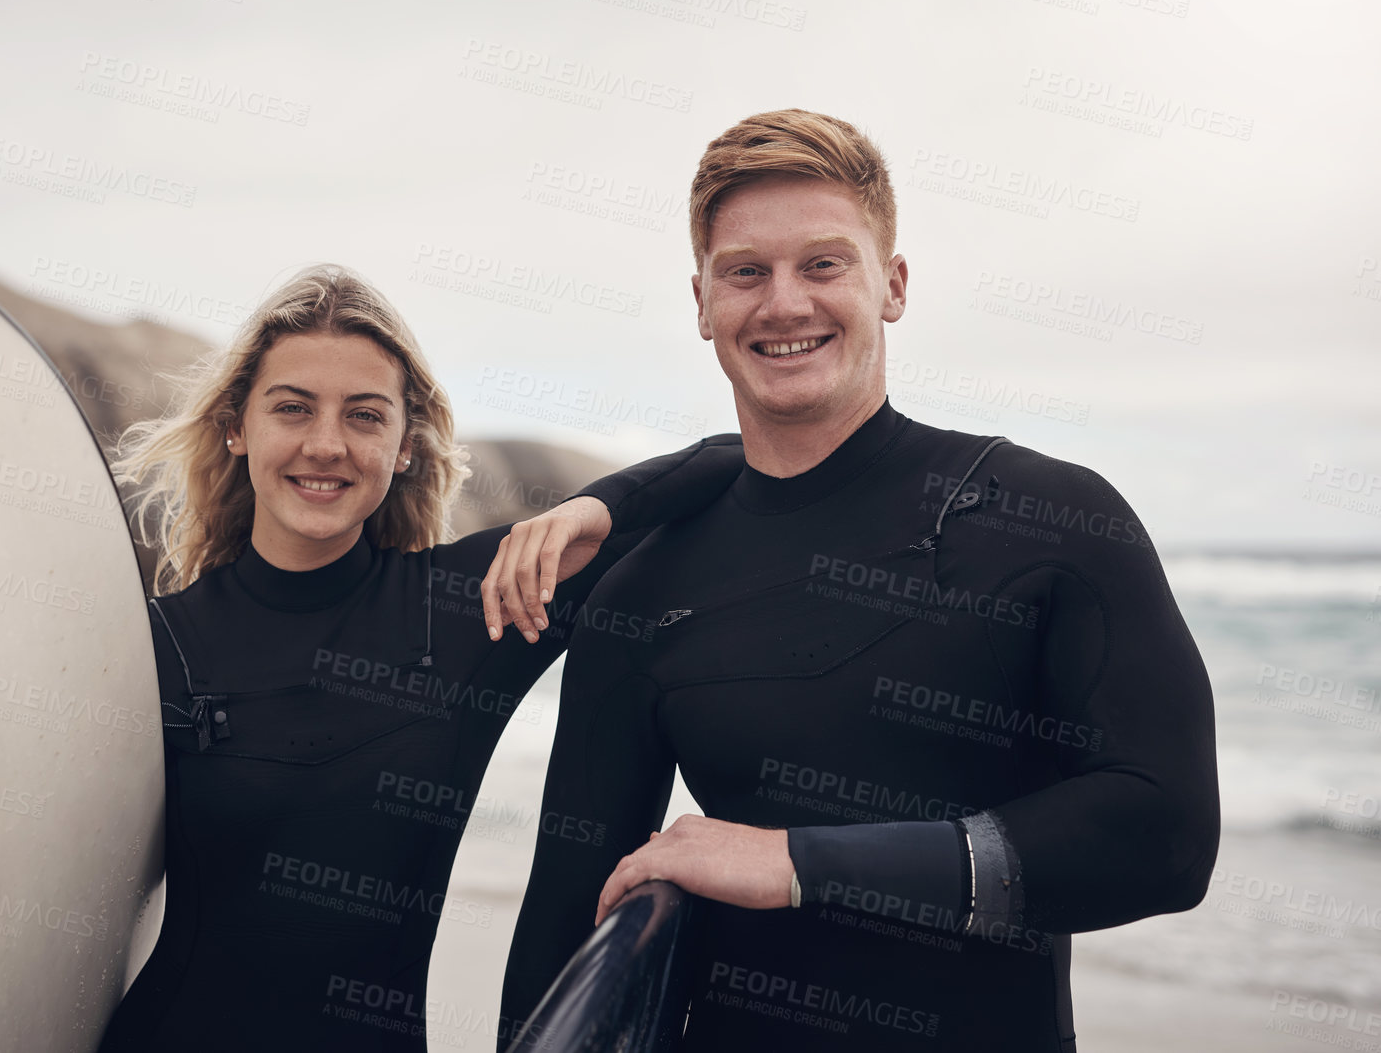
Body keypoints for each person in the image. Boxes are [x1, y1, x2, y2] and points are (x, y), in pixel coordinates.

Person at [501, 109, 1220, 1051]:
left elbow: (1162, 838)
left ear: (892, 284)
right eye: (745, 271)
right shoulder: (644, 586)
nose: (784, 302)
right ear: (702, 301)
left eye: (823, 264)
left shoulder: (1044, 519)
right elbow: (563, 919)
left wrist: (797, 861)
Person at [93, 264, 742, 1052]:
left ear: (404, 445)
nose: (326, 444)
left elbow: (728, 460)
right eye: (292, 407)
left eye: (365, 416)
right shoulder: (151, 643)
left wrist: (594, 505)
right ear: (237, 427)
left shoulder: (470, 610)